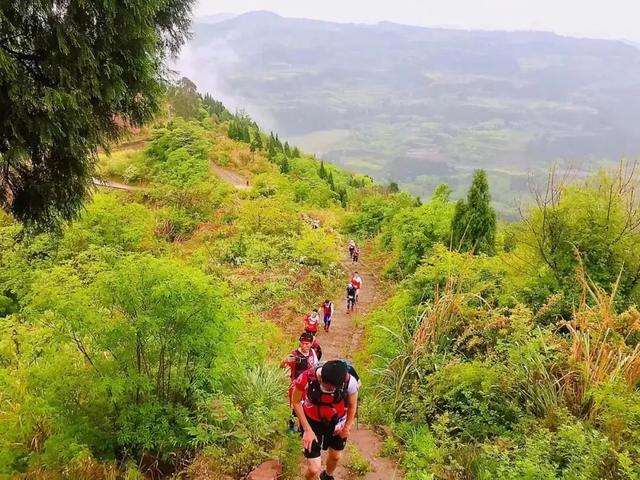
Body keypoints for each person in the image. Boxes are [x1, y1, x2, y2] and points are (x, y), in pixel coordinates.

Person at [291, 360, 359, 480]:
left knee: (336, 456)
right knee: (313, 469)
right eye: (330, 387)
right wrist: (307, 430)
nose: (333, 389)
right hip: (312, 421)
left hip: (337, 421)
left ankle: (327, 475)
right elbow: (296, 402)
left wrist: (347, 427)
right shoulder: (306, 378)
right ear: (321, 379)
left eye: (336, 387)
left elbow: (353, 405)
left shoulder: (349, 382)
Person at [281, 332, 320, 432]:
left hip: (308, 385)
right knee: (294, 406)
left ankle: (302, 428)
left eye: (307, 344)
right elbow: (282, 365)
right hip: (296, 385)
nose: (304, 346)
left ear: (311, 344)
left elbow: (315, 366)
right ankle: (291, 426)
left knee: (306, 405)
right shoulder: (295, 354)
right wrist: (285, 360)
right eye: (302, 343)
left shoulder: (312, 353)